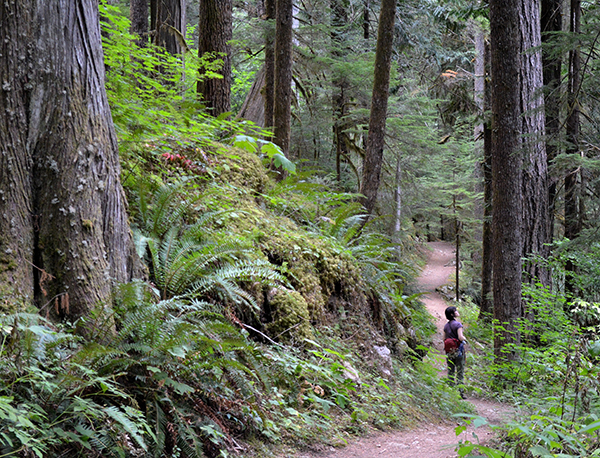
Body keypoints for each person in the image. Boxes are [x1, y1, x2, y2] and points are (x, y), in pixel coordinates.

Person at [443, 306, 467, 398]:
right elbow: (460, 337)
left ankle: (451, 391)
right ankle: (461, 392)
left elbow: (444, 339)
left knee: (451, 371)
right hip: (459, 351)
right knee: (460, 371)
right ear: (452, 314)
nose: (457, 312)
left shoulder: (446, 326)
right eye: (455, 311)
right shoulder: (458, 325)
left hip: (449, 352)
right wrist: (465, 339)